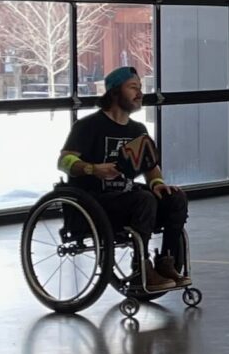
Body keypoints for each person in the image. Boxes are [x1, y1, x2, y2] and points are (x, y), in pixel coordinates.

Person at [59, 66, 188, 288]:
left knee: (175, 198)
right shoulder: (88, 126)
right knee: (143, 200)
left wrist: (157, 184)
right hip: (96, 201)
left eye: (140, 88)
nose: (140, 93)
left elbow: (150, 167)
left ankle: (167, 261)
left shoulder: (137, 130)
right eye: (133, 88)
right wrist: (93, 169)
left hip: (127, 198)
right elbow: (64, 161)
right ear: (115, 92)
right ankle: (140, 268)